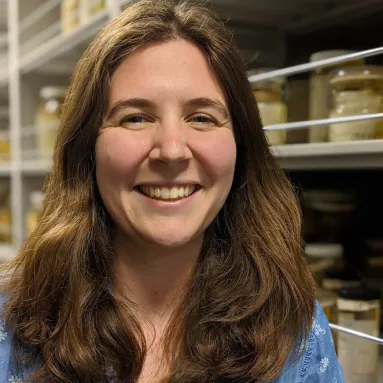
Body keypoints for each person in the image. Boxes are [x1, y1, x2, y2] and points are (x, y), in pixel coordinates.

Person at [0, 0, 344, 382]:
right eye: (135, 117)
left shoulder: (297, 334)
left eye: (202, 117)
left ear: (240, 147)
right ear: (86, 148)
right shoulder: (10, 328)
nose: (172, 150)